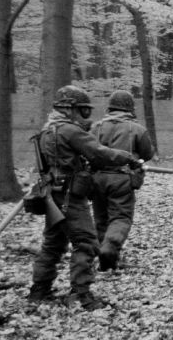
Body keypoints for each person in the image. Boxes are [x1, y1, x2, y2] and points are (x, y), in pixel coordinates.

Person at [27, 85, 144, 311]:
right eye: (83, 111)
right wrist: (127, 157)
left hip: (53, 195)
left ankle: (39, 290)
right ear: (70, 109)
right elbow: (99, 152)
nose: (85, 116)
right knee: (87, 243)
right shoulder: (69, 131)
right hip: (71, 197)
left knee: (53, 243)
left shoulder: (46, 131)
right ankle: (81, 295)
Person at [90, 90, 156, 272]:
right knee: (121, 217)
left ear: (110, 106)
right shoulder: (137, 129)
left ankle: (106, 261)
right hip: (121, 179)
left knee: (101, 218)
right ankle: (109, 248)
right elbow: (148, 154)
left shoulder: (96, 127)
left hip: (96, 178)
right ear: (130, 108)